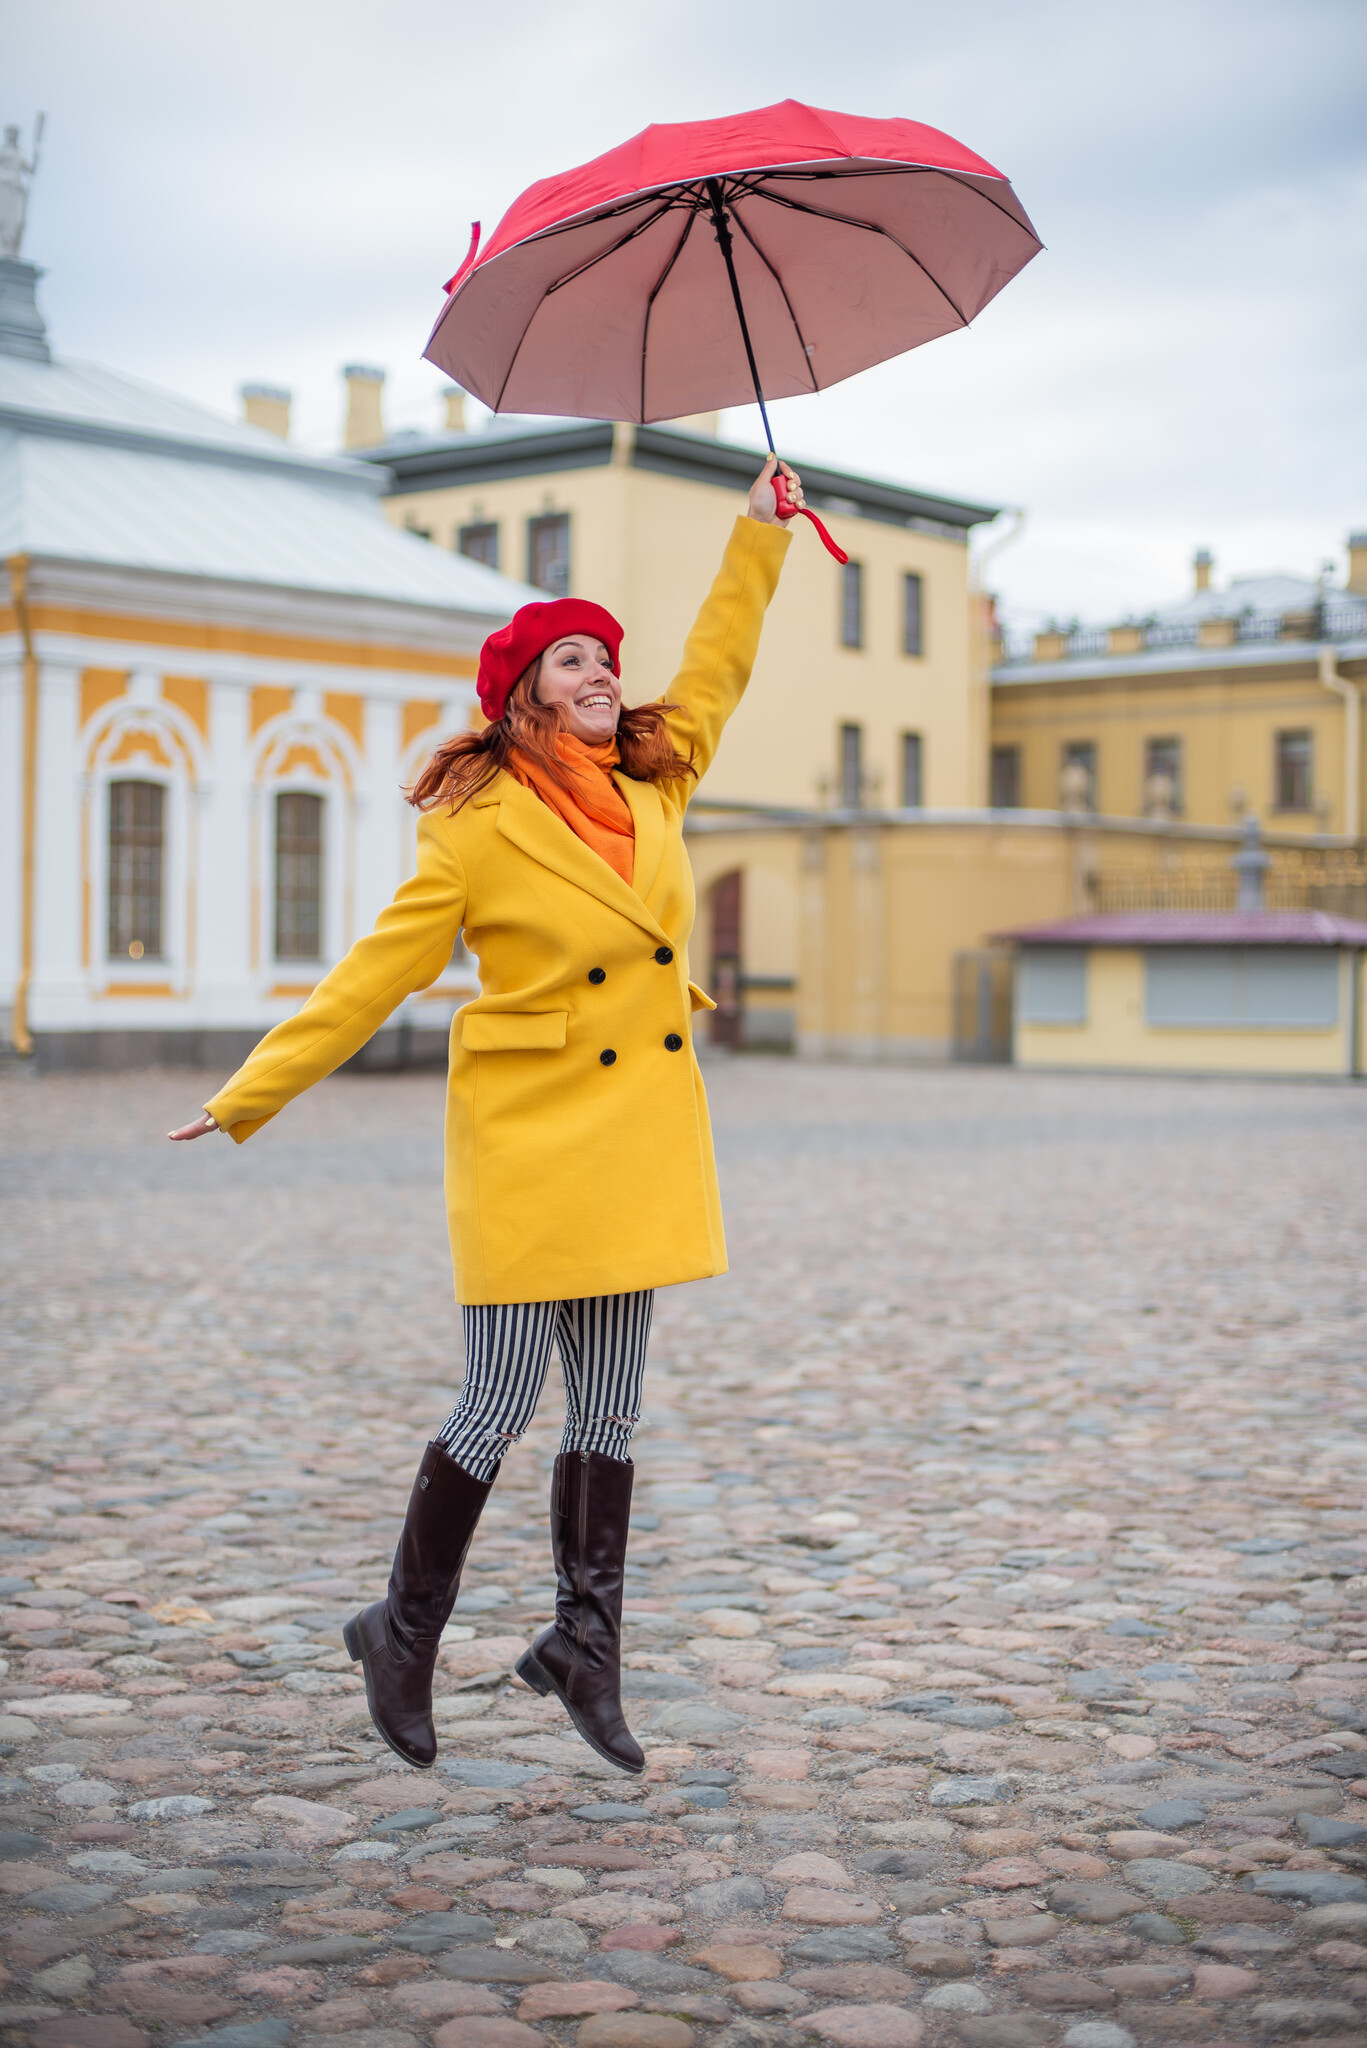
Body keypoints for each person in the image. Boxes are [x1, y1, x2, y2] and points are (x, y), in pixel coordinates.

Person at [169, 455, 800, 1773]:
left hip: (636, 1143)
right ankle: (403, 1632)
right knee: (498, 1396)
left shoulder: (657, 784)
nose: (600, 675)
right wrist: (248, 1095)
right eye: (572, 661)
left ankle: (584, 1646)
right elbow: (376, 975)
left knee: (612, 1409)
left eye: (606, 658)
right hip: (525, 1141)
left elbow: (723, 663)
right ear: (521, 694)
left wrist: (758, 535)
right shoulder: (475, 827)